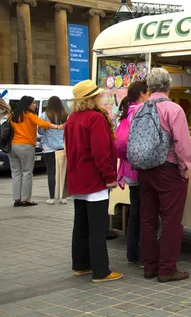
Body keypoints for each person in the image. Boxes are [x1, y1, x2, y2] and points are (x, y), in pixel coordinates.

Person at [136, 67, 191, 282]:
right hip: (168, 170)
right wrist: (185, 169)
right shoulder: (174, 109)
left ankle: (149, 266)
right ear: (169, 86)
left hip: (144, 171)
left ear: (149, 87)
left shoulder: (139, 109)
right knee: (171, 221)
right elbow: (182, 145)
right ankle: (167, 268)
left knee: (148, 220)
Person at [64, 80, 122, 283]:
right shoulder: (95, 118)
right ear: (92, 98)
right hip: (94, 179)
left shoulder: (72, 118)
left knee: (80, 224)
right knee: (97, 227)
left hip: (78, 178)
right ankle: (101, 270)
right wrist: (109, 177)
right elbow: (100, 151)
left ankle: (81, 265)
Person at [114, 81, 149, 265]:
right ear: (143, 94)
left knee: (135, 212)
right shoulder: (143, 111)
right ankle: (145, 255)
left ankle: (132, 253)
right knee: (146, 213)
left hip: (127, 169)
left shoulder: (126, 111)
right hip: (141, 168)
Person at [9, 96, 64, 207]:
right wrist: (58, 127)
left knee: (16, 173)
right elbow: (43, 124)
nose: (34, 105)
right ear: (28, 104)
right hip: (26, 146)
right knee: (27, 172)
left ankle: (17, 199)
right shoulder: (30, 115)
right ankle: (26, 199)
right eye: (33, 103)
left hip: (12, 147)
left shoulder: (12, 116)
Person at [39, 96, 69, 205]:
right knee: (63, 172)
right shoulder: (65, 115)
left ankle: (51, 197)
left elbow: (41, 131)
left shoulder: (44, 115)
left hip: (48, 148)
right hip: (62, 147)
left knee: (51, 172)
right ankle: (62, 197)